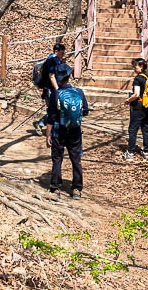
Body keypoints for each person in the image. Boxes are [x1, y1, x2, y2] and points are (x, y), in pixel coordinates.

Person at [45, 64, 88, 199]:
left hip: (58, 131)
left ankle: (55, 188)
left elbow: (51, 117)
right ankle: (76, 189)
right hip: (75, 132)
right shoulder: (79, 92)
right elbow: (85, 111)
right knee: (76, 159)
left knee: (57, 159)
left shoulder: (55, 94)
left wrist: (48, 136)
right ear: (69, 76)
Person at [33, 44, 69, 136]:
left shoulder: (57, 60)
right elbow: (51, 76)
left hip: (54, 88)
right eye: (62, 53)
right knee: (53, 110)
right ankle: (40, 124)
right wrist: (57, 90)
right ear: (56, 52)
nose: (63, 55)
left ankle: (45, 125)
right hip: (50, 89)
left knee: (56, 109)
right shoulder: (51, 61)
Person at [123, 58, 148, 161]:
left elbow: (136, 94)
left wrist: (128, 100)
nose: (134, 68)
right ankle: (146, 151)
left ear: (141, 66)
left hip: (138, 106)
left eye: (135, 66)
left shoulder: (138, 79)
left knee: (133, 129)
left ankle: (130, 153)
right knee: (146, 128)